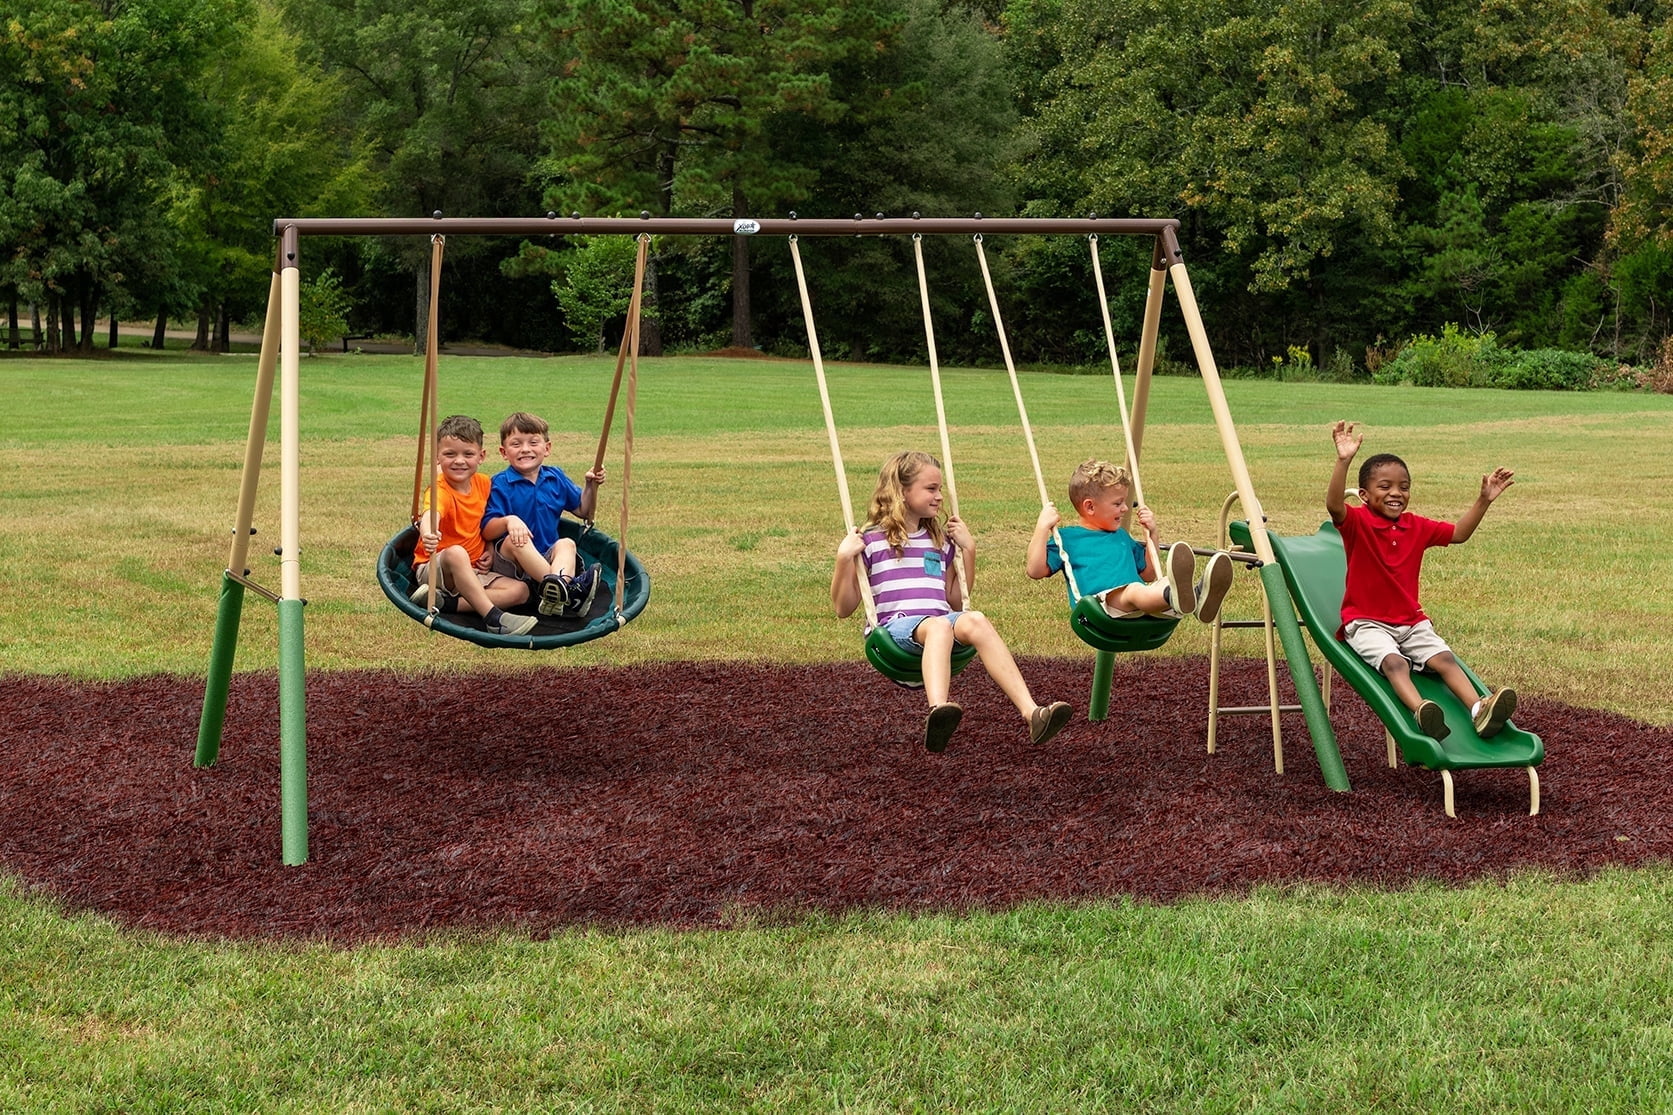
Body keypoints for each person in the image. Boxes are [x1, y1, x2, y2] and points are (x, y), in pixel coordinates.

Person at [832, 450, 1074, 753]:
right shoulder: (870, 542)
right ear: (902, 492)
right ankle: (939, 711)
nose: (939, 496)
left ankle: (1032, 712)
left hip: (938, 624)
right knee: (939, 627)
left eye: (940, 489)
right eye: (931, 489)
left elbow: (956, 601)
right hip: (895, 631)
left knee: (976, 619)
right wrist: (843, 559)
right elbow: (843, 608)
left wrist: (968, 550)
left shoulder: (940, 542)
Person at [1326, 420, 1517, 740]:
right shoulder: (1358, 523)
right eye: (1385, 486)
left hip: (1411, 622)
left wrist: (1484, 500)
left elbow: (1459, 534)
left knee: (1445, 659)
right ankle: (1421, 711)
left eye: (1403, 487)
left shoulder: (1416, 526)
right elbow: (1334, 505)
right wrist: (1343, 461)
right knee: (1394, 663)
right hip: (1367, 622)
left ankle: (1479, 709)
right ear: (1364, 495)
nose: (1396, 493)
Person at [1025, 458, 1234, 624]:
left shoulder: (1121, 537)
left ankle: (1195, 598)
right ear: (1090, 507)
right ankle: (1176, 596)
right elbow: (1035, 570)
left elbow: (1148, 573)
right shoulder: (1068, 539)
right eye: (1117, 504)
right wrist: (1042, 527)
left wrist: (1152, 534)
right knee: (1134, 591)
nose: (1125, 509)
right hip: (1100, 609)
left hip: (1138, 607)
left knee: (1154, 585)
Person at [409, 414, 538, 636]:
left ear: (481, 456)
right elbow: (431, 514)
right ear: (437, 457)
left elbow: (484, 522)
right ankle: (493, 618)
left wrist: (489, 547)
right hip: (436, 567)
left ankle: (447, 603)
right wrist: (428, 532)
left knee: (521, 591)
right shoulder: (440, 490)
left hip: (474, 570)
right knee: (456, 553)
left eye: (468, 454)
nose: (459, 461)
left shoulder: (484, 483)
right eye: (450, 454)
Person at [480, 411, 605, 619]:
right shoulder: (500, 484)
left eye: (533, 442)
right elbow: (486, 530)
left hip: (546, 557)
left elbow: (584, 511)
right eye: (516, 444)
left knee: (567, 544)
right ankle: (570, 592)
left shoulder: (555, 477)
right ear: (504, 452)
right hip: (512, 565)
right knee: (516, 540)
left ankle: (555, 589)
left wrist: (591, 485)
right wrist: (509, 521)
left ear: (547, 448)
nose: (525, 449)